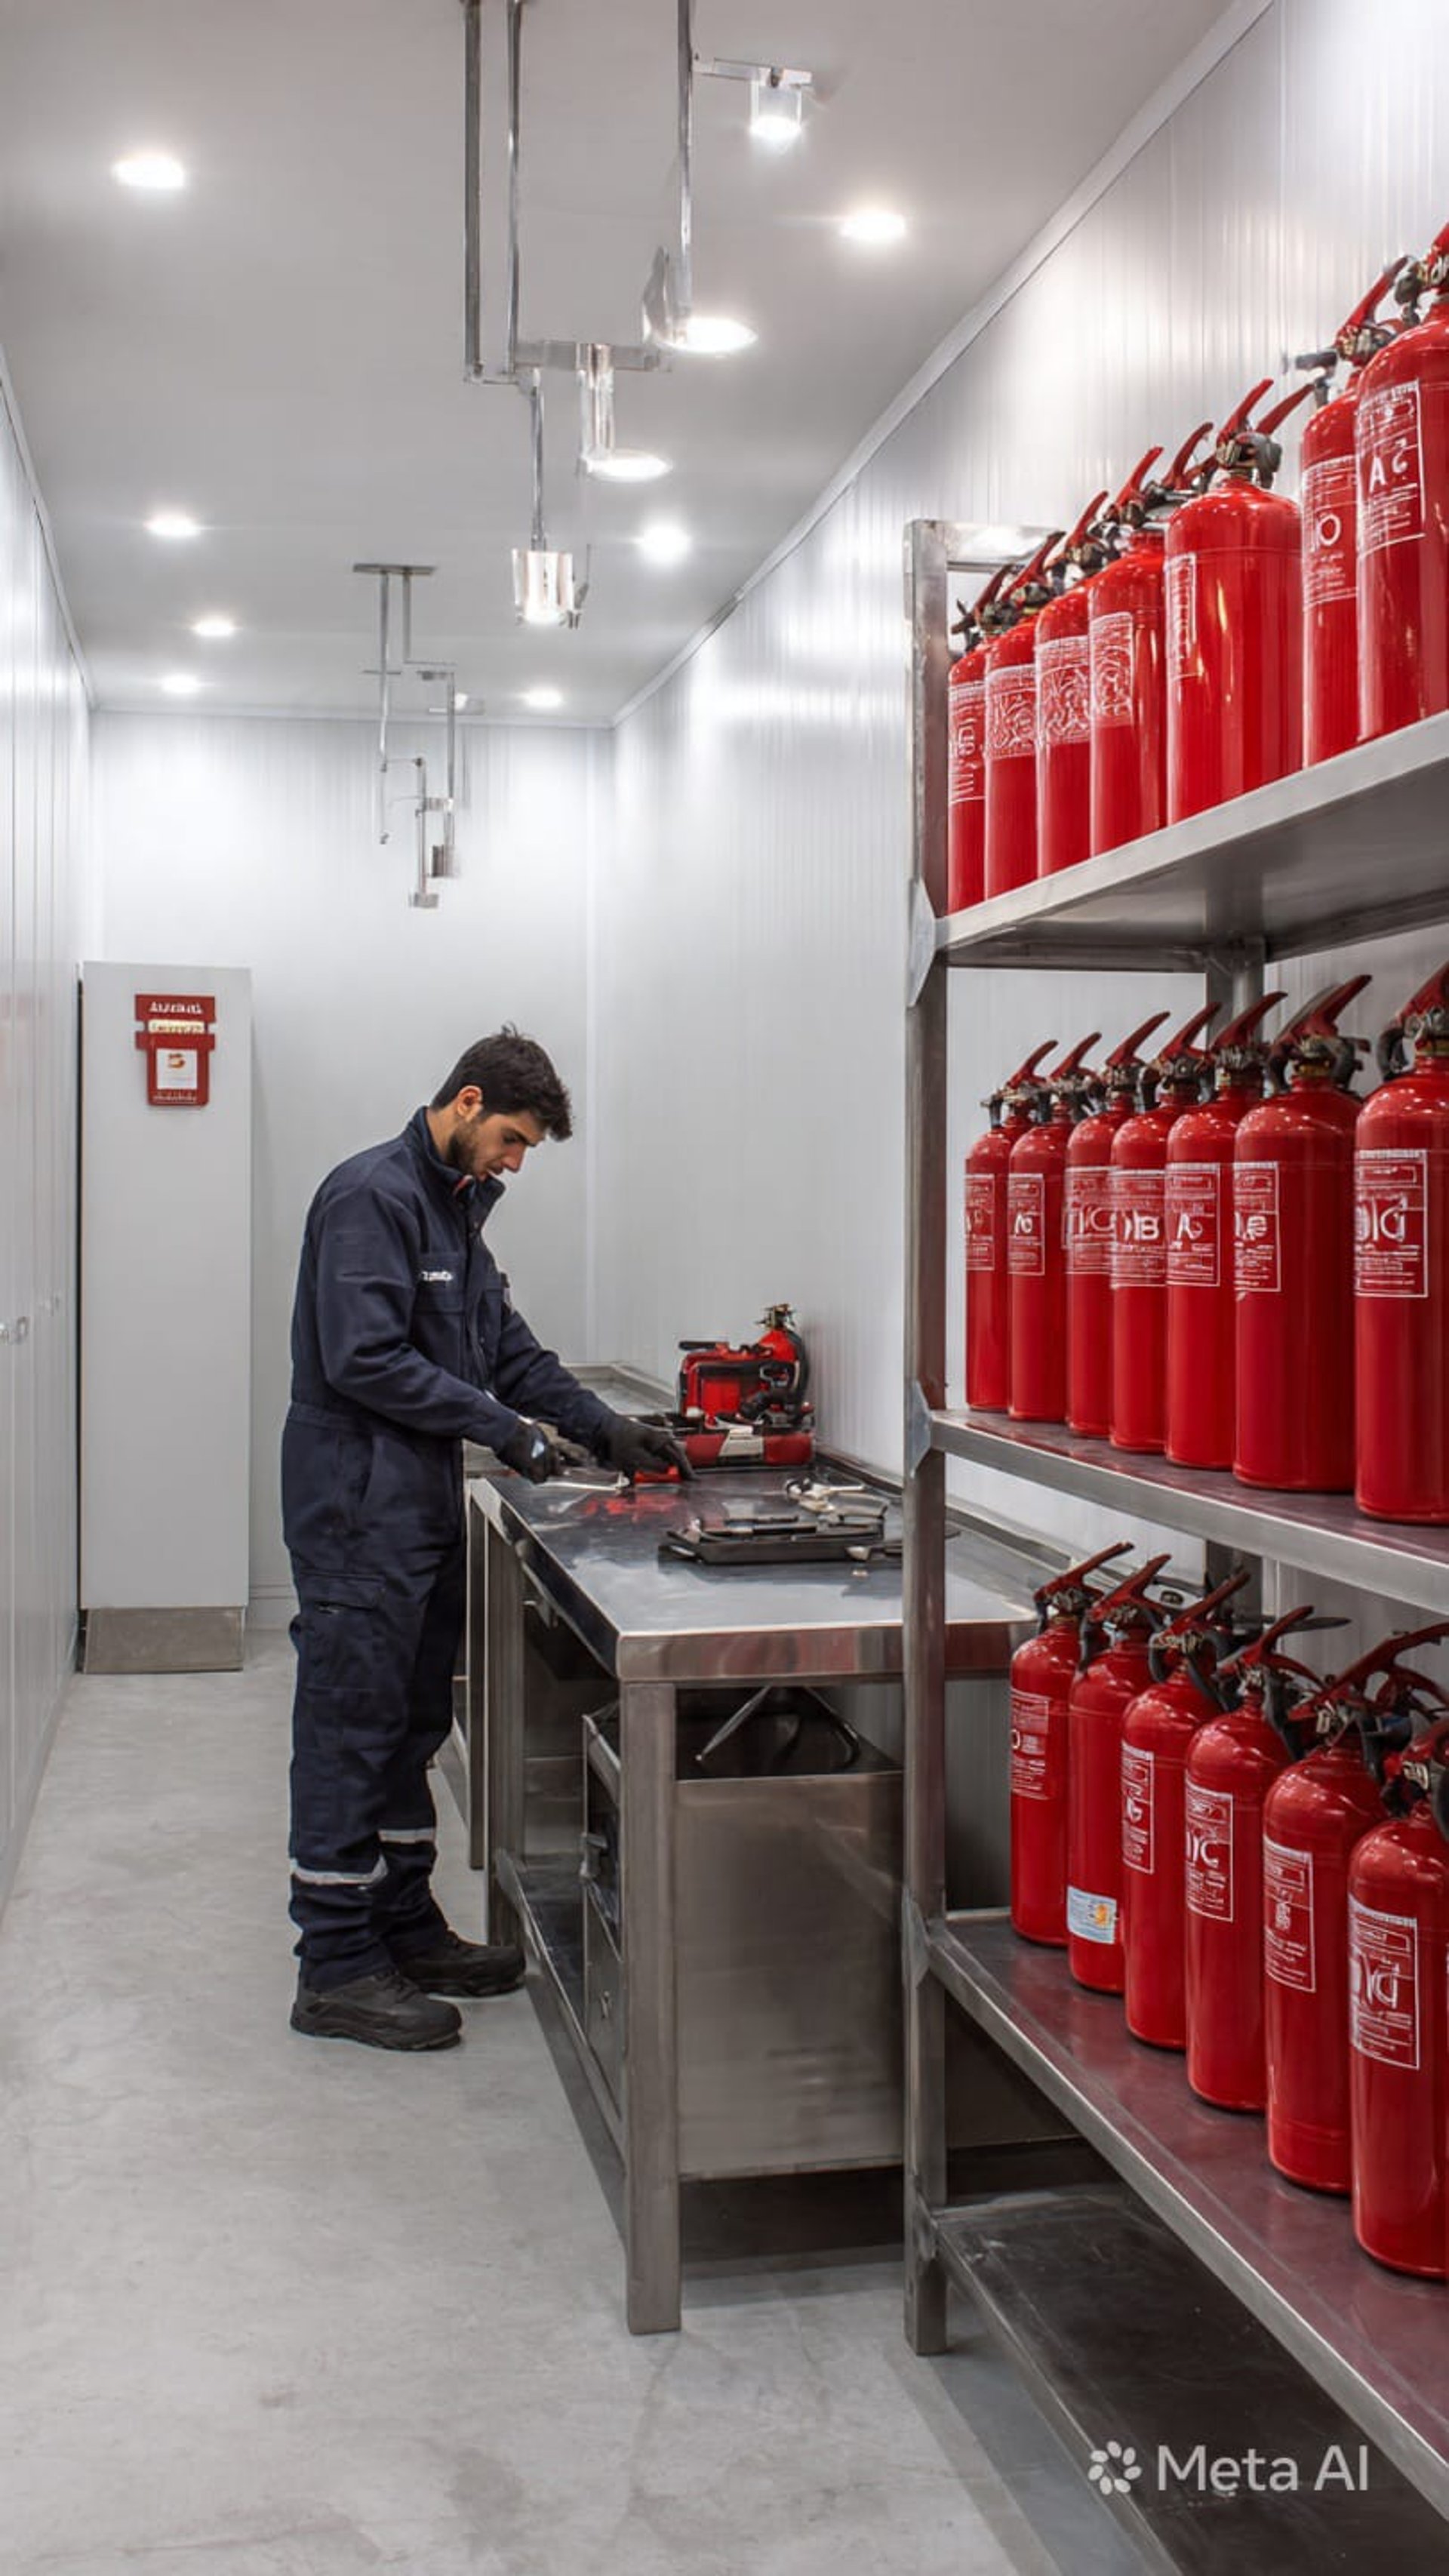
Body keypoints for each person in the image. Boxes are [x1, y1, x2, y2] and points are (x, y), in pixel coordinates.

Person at [281, 1028, 688, 2051]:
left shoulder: (457, 1216)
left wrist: (605, 1428)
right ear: (467, 1102)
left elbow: (507, 1350)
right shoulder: (371, 1198)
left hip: (415, 1505)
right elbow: (364, 1358)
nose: (515, 1161)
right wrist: (507, 1431)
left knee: (412, 1722)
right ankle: (335, 1964)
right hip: (355, 1506)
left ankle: (402, 1925)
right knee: (350, 1725)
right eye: (512, 1139)